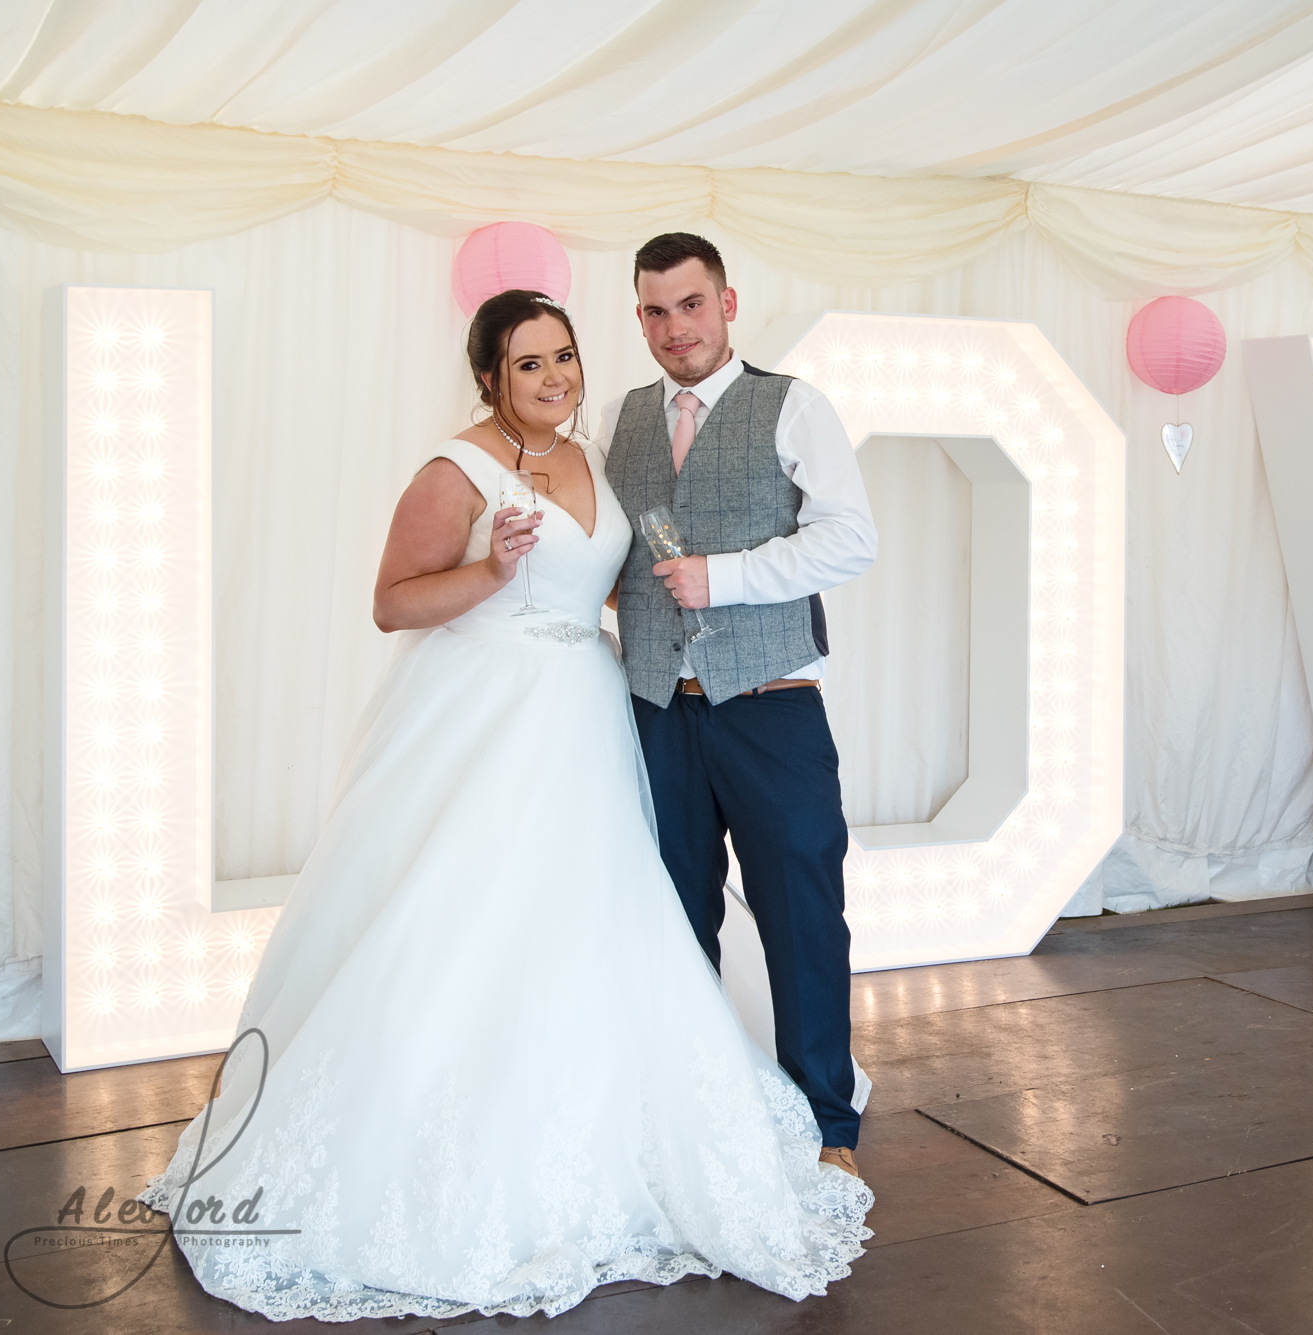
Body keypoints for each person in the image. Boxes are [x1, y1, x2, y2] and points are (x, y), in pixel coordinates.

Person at [136, 289, 871, 1323]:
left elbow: (615, 580)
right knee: (472, 919)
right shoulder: (458, 467)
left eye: (564, 356)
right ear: (490, 377)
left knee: (605, 918)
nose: (555, 377)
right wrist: (491, 568)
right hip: (491, 721)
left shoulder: (595, 449)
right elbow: (393, 600)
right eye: (530, 364)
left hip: (597, 709)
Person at [601, 233, 876, 1178]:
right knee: (673, 921)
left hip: (771, 706)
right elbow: (610, 553)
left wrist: (728, 578)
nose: (675, 328)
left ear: (726, 302)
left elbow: (851, 539)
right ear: (638, 317)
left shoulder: (793, 404)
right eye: (655, 311)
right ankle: (693, 1112)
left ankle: (827, 1128)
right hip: (653, 711)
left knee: (802, 914)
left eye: (690, 304)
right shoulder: (620, 417)